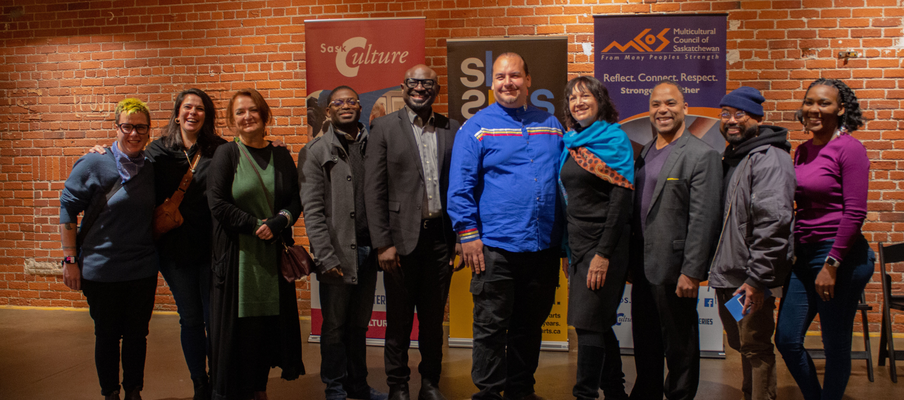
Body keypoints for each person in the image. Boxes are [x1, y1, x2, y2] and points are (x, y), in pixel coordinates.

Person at [447, 52, 565, 400]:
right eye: (500, 77)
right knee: (490, 328)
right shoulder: (476, 128)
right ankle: (488, 392)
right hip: (495, 249)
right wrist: (468, 235)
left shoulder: (552, 125)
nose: (507, 83)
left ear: (529, 80)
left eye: (514, 76)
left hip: (543, 247)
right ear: (492, 83)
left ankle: (520, 391)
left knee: (530, 326)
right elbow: (460, 187)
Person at [365, 65, 461, 400]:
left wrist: (460, 239)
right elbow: (373, 189)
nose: (420, 88)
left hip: (440, 239)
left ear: (436, 89)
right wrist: (383, 243)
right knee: (399, 320)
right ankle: (398, 384)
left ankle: (431, 382)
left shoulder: (452, 128)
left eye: (427, 83)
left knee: (434, 321)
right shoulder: (384, 127)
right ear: (404, 87)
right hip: (399, 242)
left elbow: (461, 186)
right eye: (414, 83)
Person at [775, 78, 873, 400]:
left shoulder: (850, 149)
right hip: (804, 256)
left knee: (834, 343)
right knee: (787, 339)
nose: (814, 109)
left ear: (840, 109)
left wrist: (831, 264)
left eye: (824, 103)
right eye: (809, 102)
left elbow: (855, 212)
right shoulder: (802, 151)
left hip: (840, 258)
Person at [207, 88, 304, 400]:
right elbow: (217, 202)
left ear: (264, 115)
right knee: (240, 331)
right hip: (237, 256)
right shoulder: (226, 154)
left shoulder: (281, 154)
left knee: (266, 328)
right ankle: (237, 390)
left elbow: (296, 198)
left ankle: (259, 389)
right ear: (232, 120)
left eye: (252, 110)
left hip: (272, 254)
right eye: (239, 112)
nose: (247, 116)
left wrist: (280, 222)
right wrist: (253, 225)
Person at [60, 98, 159, 400]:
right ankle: (110, 393)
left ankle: (133, 391)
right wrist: (69, 259)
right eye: (127, 126)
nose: (133, 133)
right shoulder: (94, 162)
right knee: (106, 335)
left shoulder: (152, 167)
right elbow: (67, 208)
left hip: (141, 269)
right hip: (101, 270)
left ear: (148, 131)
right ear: (116, 128)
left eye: (140, 127)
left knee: (136, 336)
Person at [629, 80, 722, 400]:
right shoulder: (645, 153)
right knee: (645, 338)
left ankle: (680, 396)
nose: (662, 110)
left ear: (685, 109)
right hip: (642, 264)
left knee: (680, 343)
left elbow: (705, 218)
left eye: (670, 104)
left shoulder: (702, 155)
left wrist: (692, 271)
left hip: (676, 267)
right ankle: (647, 392)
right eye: (656, 105)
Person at [299, 85, 388, 400]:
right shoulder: (315, 151)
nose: (346, 106)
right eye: (339, 102)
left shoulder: (374, 146)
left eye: (352, 101)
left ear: (360, 108)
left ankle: (358, 385)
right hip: (336, 255)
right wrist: (325, 256)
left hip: (369, 252)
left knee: (359, 326)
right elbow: (312, 211)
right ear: (328, 111)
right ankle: (334, 387)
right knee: (334, 327)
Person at [710, 87, 795, 400]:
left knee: (756, 347)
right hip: (731, 274)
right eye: (726, 114)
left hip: (749, 277)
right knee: (742, 344)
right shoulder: (737, 156)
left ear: (759, 118)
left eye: (740, 114)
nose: (732, 121)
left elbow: (774, 224)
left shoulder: (770, 159)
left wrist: (757, 279)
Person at [558, 76, 633, 400]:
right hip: (578, 245)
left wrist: (603, 254)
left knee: (588, 324)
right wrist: (567, 250)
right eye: (573, 98)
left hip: (606, 246)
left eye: (585, 96)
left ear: (600, 100)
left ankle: (584, 394)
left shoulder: (614, 141)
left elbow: (620, 205)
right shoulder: (572, 141)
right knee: (598, 323)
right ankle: (616, 391)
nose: (578, 103)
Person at [148, 88, 226, 399]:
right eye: (187, 107)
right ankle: (199, 382)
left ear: (207, 115)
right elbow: (126, 164)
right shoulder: (159, 151)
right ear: (177, 113)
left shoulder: (219, 149)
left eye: (200, 109)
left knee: (213, 318)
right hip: (175, 252)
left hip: (212, 248)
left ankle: (219, 379)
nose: (193, 113)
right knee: (191, 318)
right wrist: (104, 151)